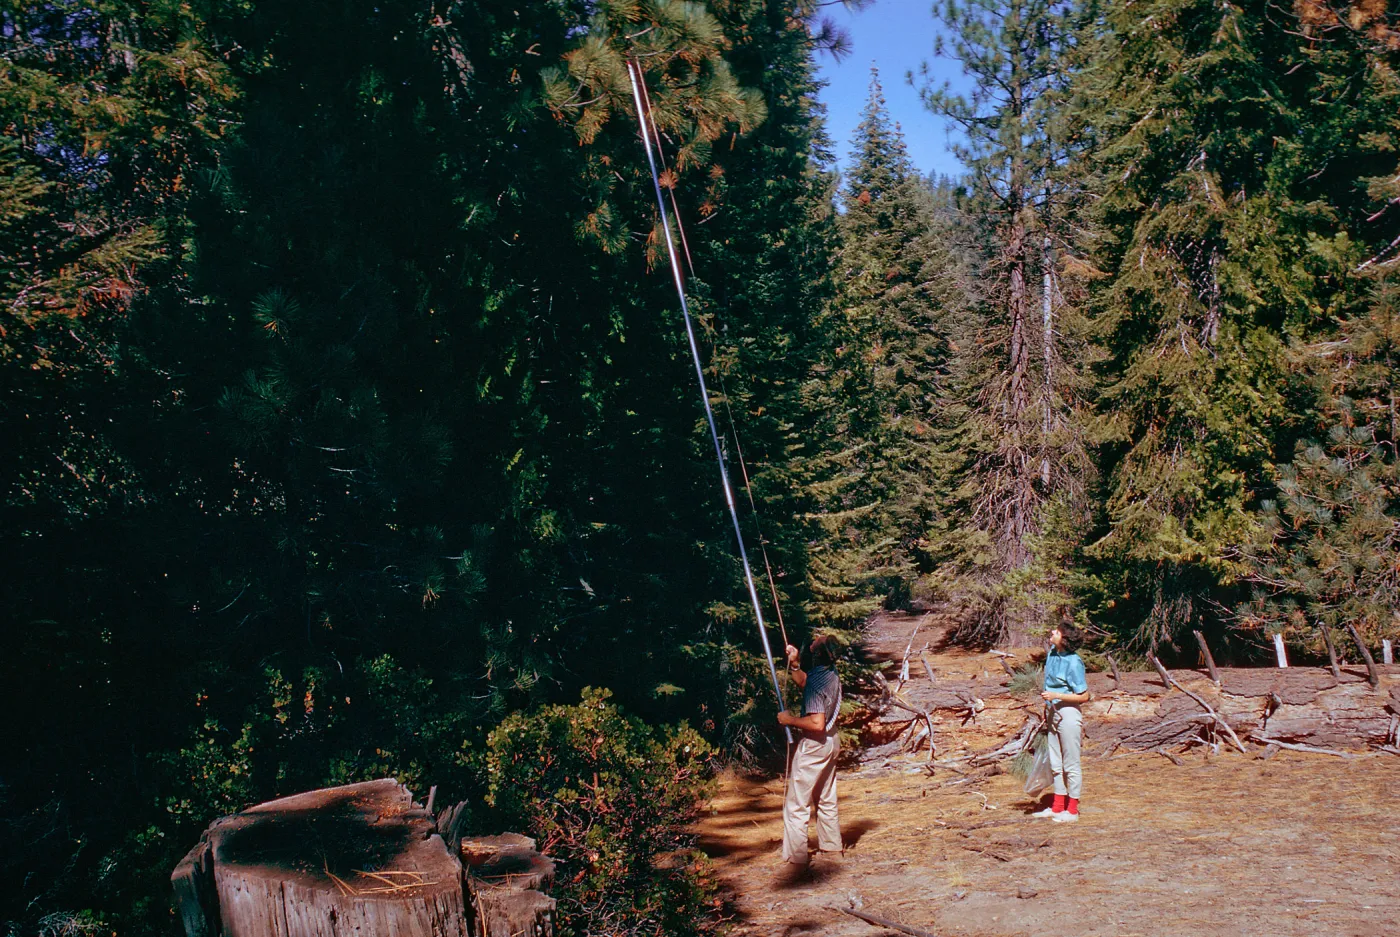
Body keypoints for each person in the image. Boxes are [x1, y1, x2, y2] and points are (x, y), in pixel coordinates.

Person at [777, 634, 843, 865]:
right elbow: (805, 682)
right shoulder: (829, 672)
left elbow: (817, 723)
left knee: (797, 804)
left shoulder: (818, 680)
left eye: (817, 641)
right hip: (831, 742)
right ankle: (832, 848)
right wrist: (795, 664)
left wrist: (790, 720)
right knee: (826, 798)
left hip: (815, 745)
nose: (813, 639)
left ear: (817, 653)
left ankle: (796, 860)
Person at [1033, 619, 1090, 823]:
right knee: (1056, 762)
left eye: (1056, 631)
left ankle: (1072, 811)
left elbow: (1084, 696)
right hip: (1052, 713)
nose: (1051, 632)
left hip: (1068, 714)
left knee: (1071, 763)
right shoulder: (1052, 654)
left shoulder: (1074, 662)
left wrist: (1056, 695)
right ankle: (1057, 807)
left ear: (1064, 638)